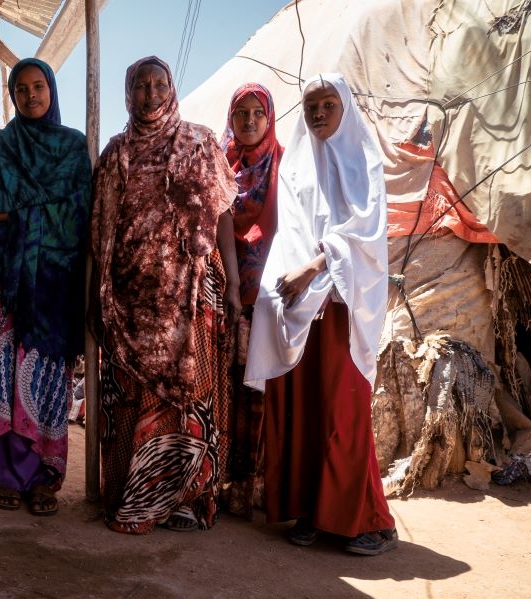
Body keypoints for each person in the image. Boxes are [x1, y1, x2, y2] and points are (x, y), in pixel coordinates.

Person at [244, 73, 398, 555]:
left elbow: (365, 237)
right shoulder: (297, 169)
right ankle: (311, 509)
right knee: (305, 408)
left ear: (344, 107)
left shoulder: (364, 162)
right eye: (311, 106)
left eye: (328, 104)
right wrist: (285, 286)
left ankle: (368, 521)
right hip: (302, 309)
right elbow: (288, 233)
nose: (318, 113)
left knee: (342, 411)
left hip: (343, 307)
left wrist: (313, 269)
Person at [90, 56, 240, 534]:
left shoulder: (200, 142)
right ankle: (134, 498)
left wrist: (234, 284)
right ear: (128, 93)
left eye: (159, 84)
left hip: (192, 296)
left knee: (190, 397)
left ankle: (186, 501)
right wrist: (95, 298)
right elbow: (99, 233)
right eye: (141, 85)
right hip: (130, 302)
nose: (150, 93)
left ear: (172, 89)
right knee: (132, 398)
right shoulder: (115, 154)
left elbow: (222, 217)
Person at [0, 58, 92, 517]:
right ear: (13, 96)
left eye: (38, 86)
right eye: (22, 89)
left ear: (51, 89)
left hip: (54, 284)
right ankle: (6, 477)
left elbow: (80, 214)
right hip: (3, 282)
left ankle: (44, 479)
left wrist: (26, 212)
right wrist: (45, 212)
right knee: (4, 380)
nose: (31, 96)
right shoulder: (0, 144)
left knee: (47, 380)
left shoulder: (73, 147)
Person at [218, 83, 283, 518]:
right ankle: (228, 485)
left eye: (257, 113)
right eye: (240, 113)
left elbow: (289, 225)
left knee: (263, 387)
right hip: (228, 290)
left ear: (269, 116)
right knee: (229, 388)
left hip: (271, 292)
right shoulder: (222, 165)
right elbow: (220, 222)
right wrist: (227, 280)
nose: (248, 121)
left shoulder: (283, 164)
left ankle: (261, 486)